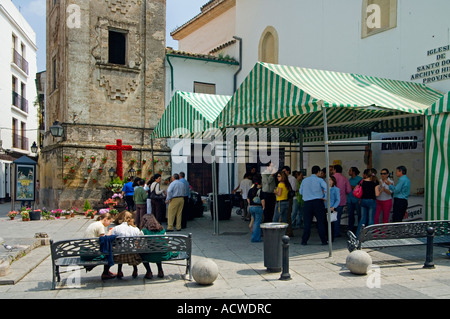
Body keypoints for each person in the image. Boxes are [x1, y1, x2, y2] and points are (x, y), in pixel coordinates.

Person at [140, 214, 178, 279]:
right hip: (163, 255)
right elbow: (167, 242)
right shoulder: (162, 229)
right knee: (158, 248)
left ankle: (149, 271)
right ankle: (160, 270)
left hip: (149, 257)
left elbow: (140, 245)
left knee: (144, 252)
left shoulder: (143, 231)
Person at [110, 211, 144, 279]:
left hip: (119, 257)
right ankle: (135, 270)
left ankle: (119, 271)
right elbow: (140, 240)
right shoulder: (135, 229)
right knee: (133, 248)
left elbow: (112, 241)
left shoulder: (116, 228)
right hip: (133, 256)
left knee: (119, 248)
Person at [299, 166, 328, 245]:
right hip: (318, 202)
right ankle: (323, 240)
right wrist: (324, 197)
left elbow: (300, 191)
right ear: (318, 172)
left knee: (307, 223)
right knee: (320, 222)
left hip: (307, 203)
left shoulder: (304, 180)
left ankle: (304, 241)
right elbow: (326, 189)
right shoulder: (320, 180)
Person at [83, 213, 116, 280]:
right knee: (109, 252)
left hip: (85, 249)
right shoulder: (100, 226)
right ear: (105, 219)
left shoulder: (94, 224)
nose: (110, 223)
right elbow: (104, 240)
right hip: (91, 252)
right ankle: (105, 273)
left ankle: (106, 271)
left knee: (107, 250)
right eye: (110, 221)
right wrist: (110, 232)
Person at [356, 169, 381, 236]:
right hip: (371, 201)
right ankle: (370, 235)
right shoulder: (375, 182)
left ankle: (358, 235)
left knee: (363, 218)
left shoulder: (362, 181)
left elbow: (357, 189)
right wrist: (381, 190)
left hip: (363, 200)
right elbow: (377, 194)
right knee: (371, 219)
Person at [333, 165, 352, 238]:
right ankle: (336, 232)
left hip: (331, 201)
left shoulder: (331, 178)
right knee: (337, 217)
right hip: (341, 201)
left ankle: (330, 232)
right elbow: (349, 190)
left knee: (330, 217)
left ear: (334, 170)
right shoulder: (345, 179)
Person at [247, 176, 266, 242]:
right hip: (258, 207)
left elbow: (248, 199)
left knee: (254, 221)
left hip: (251, 207)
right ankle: (256, 238)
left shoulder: (250, 190)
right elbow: (262, 200)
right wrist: (263, 207)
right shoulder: (260, 191)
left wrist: (250, 204)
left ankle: (254, 236)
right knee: (257, 223)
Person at [282, 166, 297, 237]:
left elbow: (293, 188)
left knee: (288, 215)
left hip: (289, 198)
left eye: (284, 171)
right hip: (282, 198)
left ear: (288, 171)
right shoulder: (283, 179)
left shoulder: (292, 178)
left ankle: (289, 231)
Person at [347, 167, 363, 233]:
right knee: (350, 215)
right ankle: (350, 229)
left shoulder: (360, 179)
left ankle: (359, 229)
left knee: (359, 215)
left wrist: (352, 187)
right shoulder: (349, 179)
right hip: (350, 199)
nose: (348, 172)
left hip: (357, 200)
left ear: (353, 172)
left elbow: (361, 188)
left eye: (350, 170)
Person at [326, 176, 341, 241]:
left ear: (333, 181)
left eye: (329, 179)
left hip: (331, 207)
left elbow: (338, 199)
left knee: (331, 223)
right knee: (325, 223)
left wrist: (334, 207)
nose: (328, 181)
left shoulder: (336, 189)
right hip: (324, 206)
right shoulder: (324, 188)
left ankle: (331, 238)